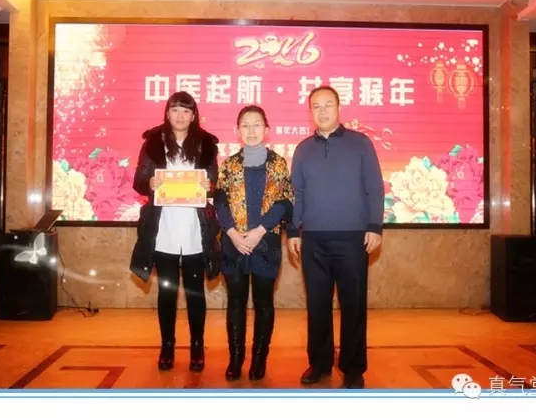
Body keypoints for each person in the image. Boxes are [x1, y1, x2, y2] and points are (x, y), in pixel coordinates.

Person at [287, 85, 384, 389]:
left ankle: (353, 368)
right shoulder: (303, 150)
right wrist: (293, 230)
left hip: (353, 239)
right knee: (317, 306)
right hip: (313, 240)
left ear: (339, 108)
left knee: (353, 306)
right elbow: (297, 193)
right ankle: (319, 363)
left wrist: (374, 226)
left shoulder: (361, 144)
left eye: (328, 104)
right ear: (310, 112)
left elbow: (374, 187)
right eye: (316, 106)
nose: (323, 111)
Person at [129, 91, 221, 373]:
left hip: (195, 229)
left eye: (186, 110)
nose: (180, 116)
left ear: (194, 115)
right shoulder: (153, 143)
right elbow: (138, 181)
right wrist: (150, 182)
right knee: (166, 292)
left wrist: (209, 186)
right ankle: (167, 345)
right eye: (175, 110)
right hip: (164, 229)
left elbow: (214, 181)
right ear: (167, 113)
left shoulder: (206, 144)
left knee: (195, 293)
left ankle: (197, 346)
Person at [214, 105, 294, 381]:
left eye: (257, 124)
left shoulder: (278, 164)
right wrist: (233, 233)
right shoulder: (229, 165)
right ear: (237, 131)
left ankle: (260, 358)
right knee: (235, 302)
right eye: (245, 125)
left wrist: (260, 230)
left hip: (265, 244)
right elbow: (220, 202)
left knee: (263, 302)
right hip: (234, 245)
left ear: (267, 129)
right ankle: (235, 358)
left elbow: (285, 202)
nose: (251, 130)